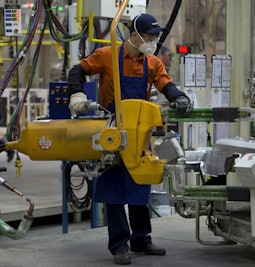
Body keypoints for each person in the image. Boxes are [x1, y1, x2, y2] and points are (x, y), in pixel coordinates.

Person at [67, 14, 192, 265]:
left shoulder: (153, 62)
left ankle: (141, 240)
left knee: (139, 186)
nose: (154, 40)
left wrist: (181, 98)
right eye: (149, 36)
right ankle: (119, 245)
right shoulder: (107, 55)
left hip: (140, 132)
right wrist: (77, 96)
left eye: (156, 36)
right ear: (134, 36)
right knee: (115, 190)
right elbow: (77, 71)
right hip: (111, 133)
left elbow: (167, 85)